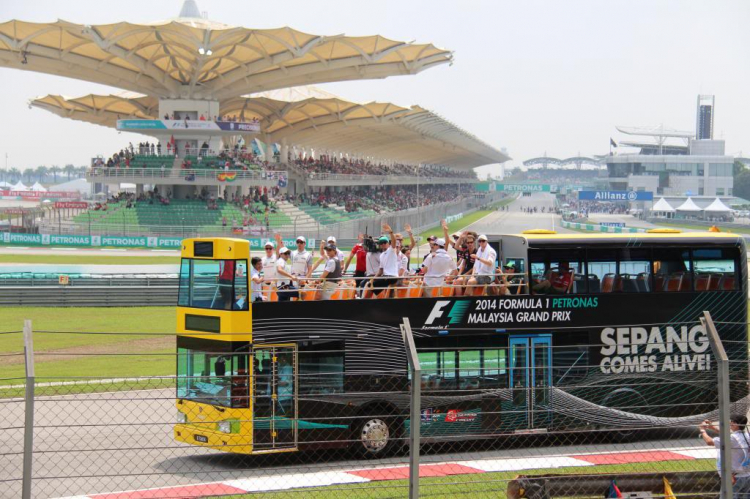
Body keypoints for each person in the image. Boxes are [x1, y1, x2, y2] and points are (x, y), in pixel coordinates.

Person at [700, 415, 750, 496]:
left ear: (736, 424)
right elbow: (728, 435)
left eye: (732, 421)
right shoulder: (746, 435)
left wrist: (702, 430)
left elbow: (709, 441)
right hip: (747, 476)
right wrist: (712, 427)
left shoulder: (733, 439)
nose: (730, 423)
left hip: (734, 478)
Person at [365, 223, 399, 298]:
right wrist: (373, 279)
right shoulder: (382, 255)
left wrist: (391, 232)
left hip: (391, 276)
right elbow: (380, 270)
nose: (383, 244)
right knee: (371, 284)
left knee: (371, 286)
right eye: (381, 243)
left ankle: (363, 301)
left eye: (385, 242)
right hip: (387, 276)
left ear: (388, 243)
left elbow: (394, 241)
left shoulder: (391, 250)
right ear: (379, 245)